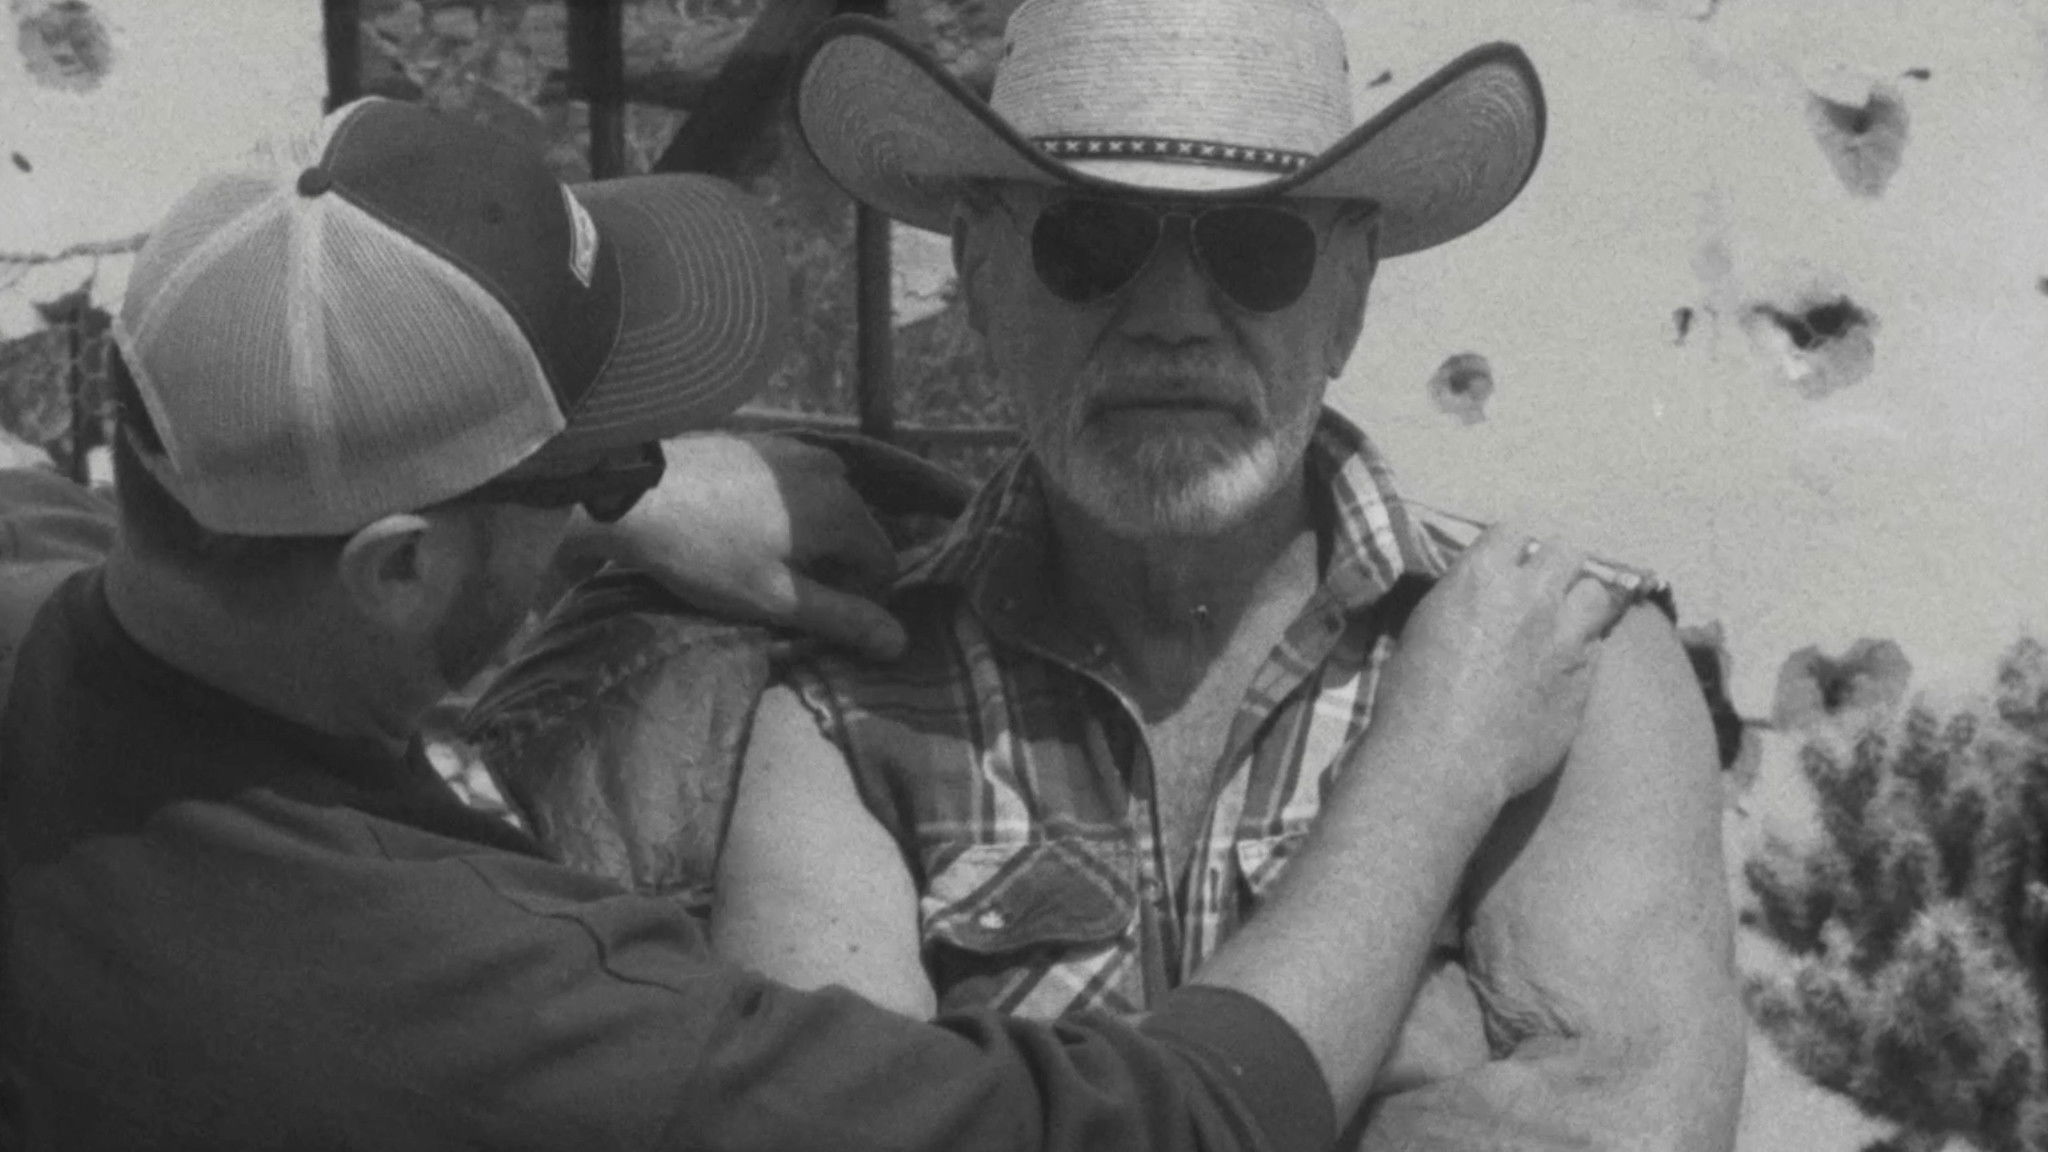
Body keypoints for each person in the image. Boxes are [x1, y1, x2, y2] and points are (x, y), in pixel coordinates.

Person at [0, 94, 1626, 1151]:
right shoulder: (465, 997)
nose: (1174, 315)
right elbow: (1170, 1125)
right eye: (602, 462)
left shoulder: (44, 607)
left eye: (1256, 251)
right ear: (397, 568)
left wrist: (624, 498)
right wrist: (1432, 769)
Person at [710, 2, 1746, 1149]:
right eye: (1090, 242)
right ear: (980, 276)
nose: (1171, 320)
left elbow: (1615, 1131)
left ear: (1349, 291)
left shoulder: (1566, 652)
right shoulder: (844, 712)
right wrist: (1399, 1041)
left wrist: (1033, 1105)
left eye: (1256, 249)